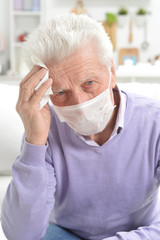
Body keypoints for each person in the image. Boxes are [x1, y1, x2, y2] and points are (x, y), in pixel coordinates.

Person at [1, 13, 160, 240]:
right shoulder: (45, 130)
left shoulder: (154, 121)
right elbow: (20, 235)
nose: (80, 103)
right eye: (61, 92)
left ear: (111, 72)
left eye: (89, 83)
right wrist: (34, 142)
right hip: (64, 234)